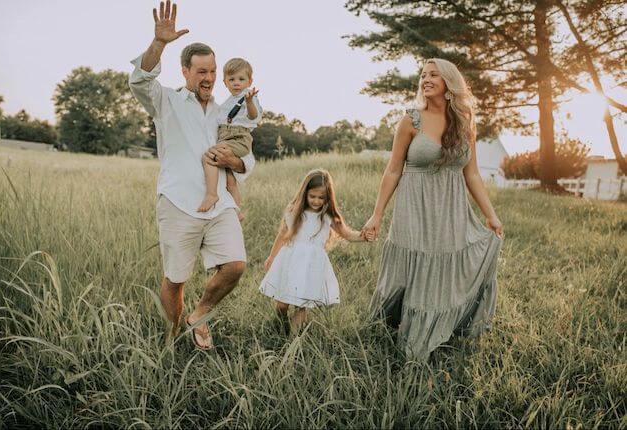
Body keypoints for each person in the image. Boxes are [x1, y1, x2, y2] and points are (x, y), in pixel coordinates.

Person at [128, 0, 256, 350]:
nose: (210, 78)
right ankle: (172, 339)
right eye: (202, 72)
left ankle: (199, 314)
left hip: (221, 206)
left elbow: (248, 155)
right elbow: (140, 80)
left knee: (235, 265)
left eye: (213, 71)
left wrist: (237, 161)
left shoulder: (225, 110)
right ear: (185, 71)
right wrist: (159, 44)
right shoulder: (165, 102)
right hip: (178, 203)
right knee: (176, 278)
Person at [362, 58, 504, 361]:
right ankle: (394, 331)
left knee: (443, 268)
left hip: (451, 210)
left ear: (449, 82)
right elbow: (392, 171)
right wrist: (377, 215)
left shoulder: (465, 123)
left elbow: (472, 174)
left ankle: (438, 330)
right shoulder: (410, 121)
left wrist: (491, 215)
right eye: (423, 75)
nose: (425, 79)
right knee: (412, 271)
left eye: (433, 75)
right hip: (414, 208)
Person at [259, 169, 369, 333]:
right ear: (305, 193)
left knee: (302, 303)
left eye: (321, 198)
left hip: (312, 264)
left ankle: (293, 343)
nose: (316, 201)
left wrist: (364, 236)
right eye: (313, 196)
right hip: (291, 260)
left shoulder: (327, 216)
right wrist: (272, 257)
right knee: (282, 303)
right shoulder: (294, 211)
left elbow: (347, 234)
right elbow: (283, 235)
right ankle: (281, 324)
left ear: (328, 198)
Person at [198, 58, 262, 221]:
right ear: (225, 82)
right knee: (229, 181)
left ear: (250, 81)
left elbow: (253, 115)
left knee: (209, 157)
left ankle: (211, 194)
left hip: (238, 137)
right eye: (231, 79)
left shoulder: (248, 97)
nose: (236, 83)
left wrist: (249, 102)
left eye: (241, 79)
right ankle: (237, 211)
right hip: (226, 136)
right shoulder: (227, 102)